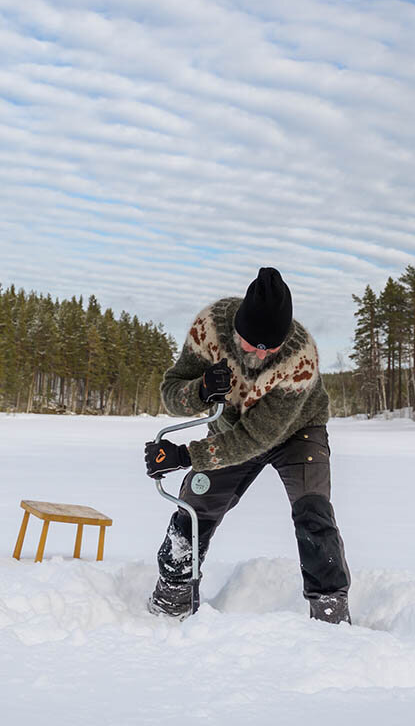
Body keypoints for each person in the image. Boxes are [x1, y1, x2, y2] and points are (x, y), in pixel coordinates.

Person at [144, 267, 350, 623]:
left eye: (268, 347)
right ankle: (172, 596)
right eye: (250, 342)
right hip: (230, 427)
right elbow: (171, 394)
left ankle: (329, 608)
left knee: (313, 512)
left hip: (299, 434)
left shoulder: (300, 357)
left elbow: (257, 437)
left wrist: (185, 455)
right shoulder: (208, 328)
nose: (257, 353)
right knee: (196, 506)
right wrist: (201, 390)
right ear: (237, 325)